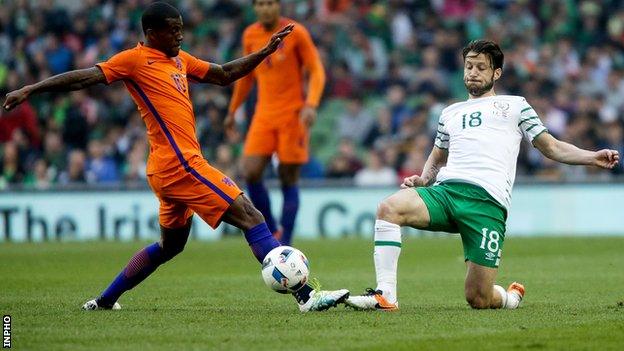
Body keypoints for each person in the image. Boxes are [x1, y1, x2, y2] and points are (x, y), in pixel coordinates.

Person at [3, 2, 348, 312]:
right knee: (251, 215)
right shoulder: (134, 60)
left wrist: (264, 52)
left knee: (171, 246)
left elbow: (224, 74)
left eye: (181, 27)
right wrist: (31, 89)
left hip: (165, 170)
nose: (180, 34)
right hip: (180, 164)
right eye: (173, 29)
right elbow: (85, 78)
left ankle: (105, 300)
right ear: (152, 33)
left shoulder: (180, 60)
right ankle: (306, 297)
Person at [345, 40, 620, 311]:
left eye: (480, 67)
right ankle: (387, 296)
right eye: (469, 66)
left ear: (496, 73)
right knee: (389, 208)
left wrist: (591, 157)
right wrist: (424, 179)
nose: (473, 72)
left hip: (487, 205)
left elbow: (551, 146)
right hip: (446, 193)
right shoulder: (449, 113)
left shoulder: (516, 106)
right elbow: (438, 155)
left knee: (478, 297)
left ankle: (510, 298)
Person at [225, 0, 326, 246]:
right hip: (263, 115)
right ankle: (271, 231)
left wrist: (311, 104)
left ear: (278, 6)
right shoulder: (250, 34)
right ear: (255, 8)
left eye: (270, 3)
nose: (265, 8)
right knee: (251, 171)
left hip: (293, 115)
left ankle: (286, 243)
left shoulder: (296, 32)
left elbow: (316, 71)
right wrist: (233, 110)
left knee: (287, 176)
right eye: (260, 4)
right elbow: (245, 76)